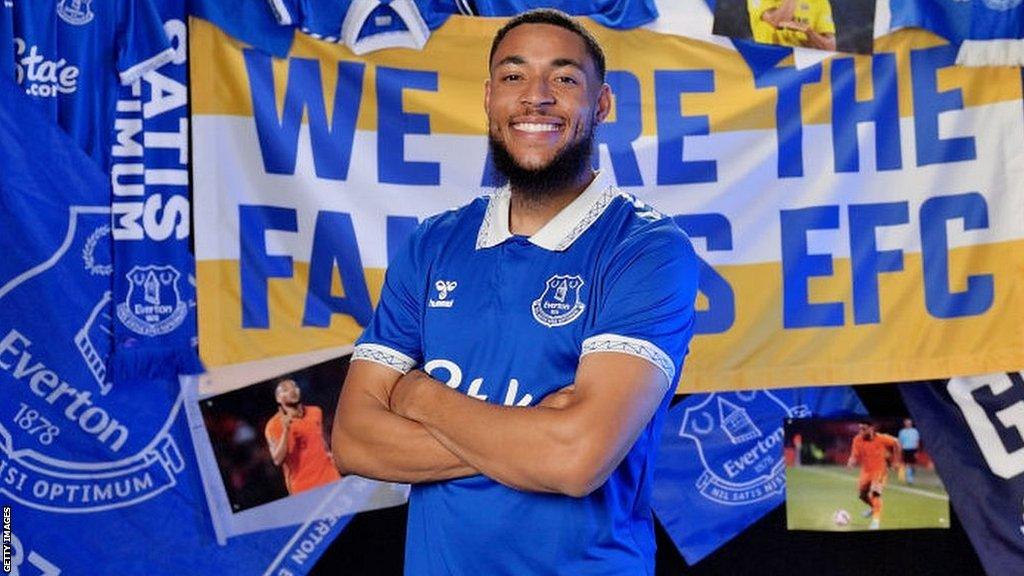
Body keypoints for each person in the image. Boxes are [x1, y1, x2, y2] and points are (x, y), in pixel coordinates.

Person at [332, 9, 698, 574]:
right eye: (513, 76)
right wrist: (533, 434)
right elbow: (354, 441)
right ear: (488, 98)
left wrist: (418, 397)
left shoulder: (647, 249)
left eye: (564, 78)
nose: (537, 97)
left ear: (601, 105)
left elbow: (576, 459)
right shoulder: (433, 244)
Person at [264, 379, 341, 495]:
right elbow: (277, 460)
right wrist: (286, 430)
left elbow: (321, 439)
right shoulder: (273, 425)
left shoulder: (315, 411)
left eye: (294, 387)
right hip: (303, 488)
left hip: (331, 477)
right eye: (285, 390)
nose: (292, 391)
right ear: (278, 399)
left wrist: (331, 456)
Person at [847, 421, 901, 530]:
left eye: (864, 429)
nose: (861, 431)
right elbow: (854, 455)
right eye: (860, 428)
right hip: (866, 471)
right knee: (862, 495)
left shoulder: (881, 438)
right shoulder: (857, 439)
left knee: (875, 494)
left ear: (871, 428)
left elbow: (896, 442)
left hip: (879, 471)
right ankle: (873, 508)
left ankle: (876, 521)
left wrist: (896, 461)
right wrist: (851, 460)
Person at [748, 0, 837, 51]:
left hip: (802, 72)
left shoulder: (819, 2)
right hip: (770, 66)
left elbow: (830, 47)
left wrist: (809, 32)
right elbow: (779, 21)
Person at [898, 417, 920, 484]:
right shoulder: (902, 432)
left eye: (909, 423)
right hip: (905, 449)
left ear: (911, 423)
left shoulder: (915, 431)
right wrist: (900, 450)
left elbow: (917, 441)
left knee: (913, 465)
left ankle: (911, 476)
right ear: (904, 423)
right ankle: (909, 479)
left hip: (913, 449)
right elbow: (900, 442)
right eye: (906, 423)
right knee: (907, 464)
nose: (908, 424)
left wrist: (917, 451)